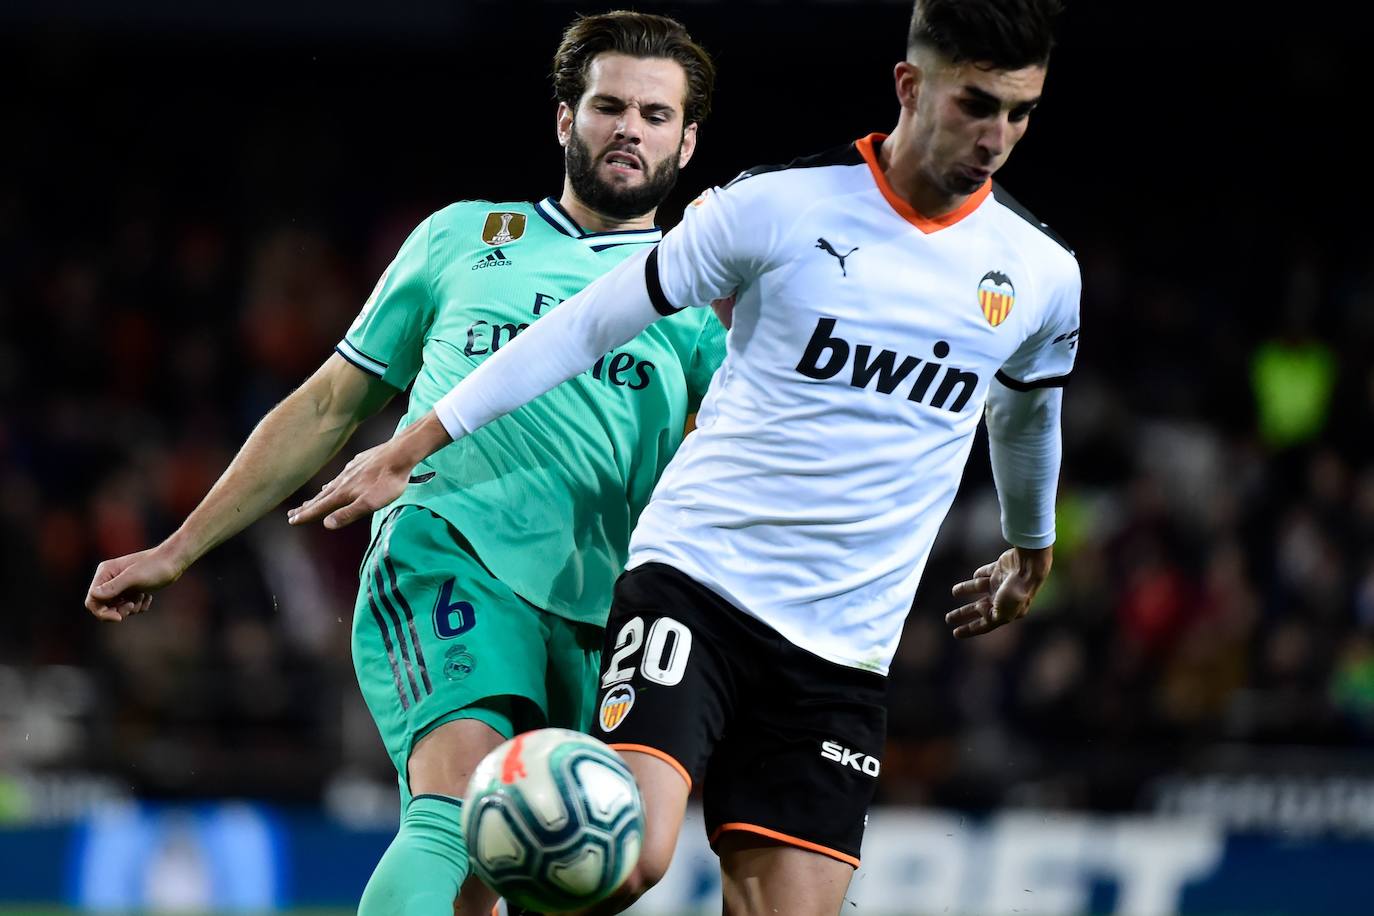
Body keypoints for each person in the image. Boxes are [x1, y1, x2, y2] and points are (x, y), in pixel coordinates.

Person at [290, 0, 1078, 913]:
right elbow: (588, 324)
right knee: (620, 860)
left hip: (843, 649)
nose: (998, 136)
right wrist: (421, 438)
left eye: (1020, 112)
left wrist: (1032, 541)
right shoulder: (774, 209)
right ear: (911, 84)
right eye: (977, 104)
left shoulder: (1041, 273)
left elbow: (1026, 412)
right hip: (697, 585)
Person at [83, 11, 724, 916]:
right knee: (452, 815)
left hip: (597, 606)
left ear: (688, 140)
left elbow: (734, 464)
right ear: (562, 119)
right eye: (608, 105)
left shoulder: (700, 301)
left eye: (655, 115)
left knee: (527, 878)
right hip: (446, 546)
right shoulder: (463, 238)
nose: (629, 128)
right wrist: (178, 549)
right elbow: (327, 406)